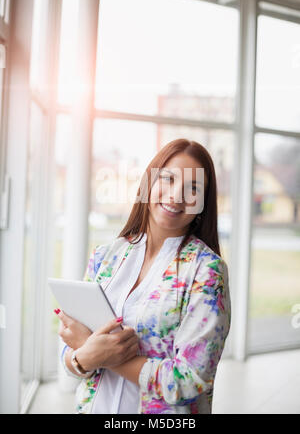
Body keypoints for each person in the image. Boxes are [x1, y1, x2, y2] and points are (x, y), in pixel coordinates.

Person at [56, 138, 231, 414]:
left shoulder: (207, 271)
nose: (175, 196)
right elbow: (69, 351)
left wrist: (102, 356)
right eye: (168, 179)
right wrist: (81, 358)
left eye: (192, 188)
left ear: (202, 203)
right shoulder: (105, 257)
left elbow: (190, 381)